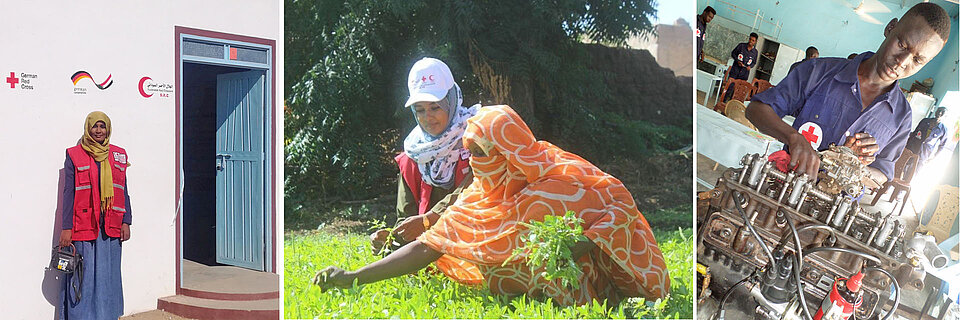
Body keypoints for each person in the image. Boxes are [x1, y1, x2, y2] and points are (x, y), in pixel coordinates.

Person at [315, 105, 670, 307]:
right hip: (519, 286)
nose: (475, 161)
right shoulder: (481, 194)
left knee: (554, 270)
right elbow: (429, 246)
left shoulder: (559, 179)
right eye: (471, 152)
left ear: (508, 151)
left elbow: (620, 201)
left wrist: (582, 242)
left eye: (482, 152)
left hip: (591, 275)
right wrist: (354, 277)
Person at [745, 2, 951, 189]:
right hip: (783, 187)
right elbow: (756, 109)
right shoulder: (818, 71)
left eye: (917, 60)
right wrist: (794, 138)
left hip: (835, 214)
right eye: (902, 45)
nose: (902, 61)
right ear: (890, 28)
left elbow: (882, 174)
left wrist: (852, 165)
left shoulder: (901, 116)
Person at [369, 57, 478, 252]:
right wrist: (392, 237)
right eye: (420, 110)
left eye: (435, 107)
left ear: (451, 102)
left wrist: (429, 219)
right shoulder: (414, 155)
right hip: (435, 246)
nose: (428, 117)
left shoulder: (477, 137)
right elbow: (407, 216)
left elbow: (475, 188)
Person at [59, 111, 132, 319]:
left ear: (108, 129)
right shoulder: (74, 154)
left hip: (110, 226)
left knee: (108, 275)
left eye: (103, 126)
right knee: (83, 275)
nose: (99, 130)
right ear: (88, 128)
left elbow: (123, 189)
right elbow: (69, 192)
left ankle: (106, 315)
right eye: (95, 126)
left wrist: (126, 220)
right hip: (84, 224)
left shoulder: (118, 154)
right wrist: (66, 227)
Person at [722, 33, 759, 102]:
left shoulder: (755, 52)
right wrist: (737, 61)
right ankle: (723, 103)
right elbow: (733, 53)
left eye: (753, 40)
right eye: (750, 39)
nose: (750, 41)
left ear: (755, 42)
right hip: (735, 71)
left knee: (737, 92)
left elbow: (754, 62)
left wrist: (750, 67)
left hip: (744, 74)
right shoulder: (741, 46)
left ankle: (730, 106)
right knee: (729, 88)